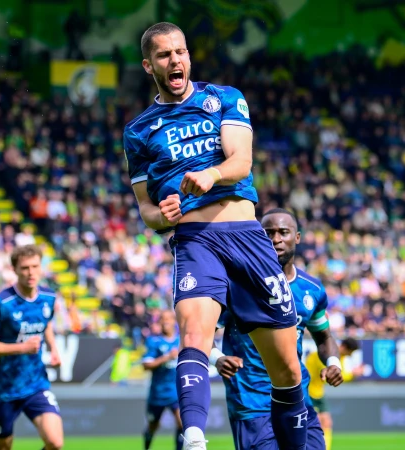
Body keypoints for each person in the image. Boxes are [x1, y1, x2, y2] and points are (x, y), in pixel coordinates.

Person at [124, 22, 304, 449]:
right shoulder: (138, 131)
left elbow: (241, 162)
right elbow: (146, 210)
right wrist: (161, 214)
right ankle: (195, 438)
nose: (176, 61)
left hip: (246, 236)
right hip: (194, 240)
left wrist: (211, 174)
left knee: (289, 372)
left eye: (181, 52)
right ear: (149, 65)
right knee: (194, 337)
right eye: (165, 55)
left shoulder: (224, 98)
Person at [210, 208, 343, 450]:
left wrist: (333, 361)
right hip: (253, 404)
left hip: (299, 400)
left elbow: (324, 336)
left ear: (298, 237)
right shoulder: (237, 286)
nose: (276, 239)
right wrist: (217, 358)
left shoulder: (310, 289)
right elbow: (202, 334)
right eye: (268, 232)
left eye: (283, 232)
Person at [0, 244, 64, 450]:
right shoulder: (2, 303)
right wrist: (21, 348)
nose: (31, 272)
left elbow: (47, 324)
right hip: (3, 390)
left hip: (36, 384)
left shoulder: (48, 298)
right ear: (15, 270)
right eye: (25, 268)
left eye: (35, 266)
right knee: (2, 447)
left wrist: (53, 348)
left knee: (55, 442)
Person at [306, 338, 362, 450]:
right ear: (345, 348)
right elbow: (328, 374)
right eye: (351, 352)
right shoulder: (327, 353)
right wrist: (353, 374)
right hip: (307, 392)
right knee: (314, 423)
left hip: (318, 393)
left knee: (326, 422)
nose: (350, 355)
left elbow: (340, 374)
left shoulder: (339, 357)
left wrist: (351, 374)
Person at [143, 310, 183, 450]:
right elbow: (146, 365)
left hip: (176, 392)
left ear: (174, 321)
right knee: (153, 426)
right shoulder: (153, 341)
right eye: (163, 319)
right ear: (159, 322)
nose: (166, 321)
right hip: (158, 392)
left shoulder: (181, 341)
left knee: (182, 423)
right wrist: (166, 357)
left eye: (169, 319)